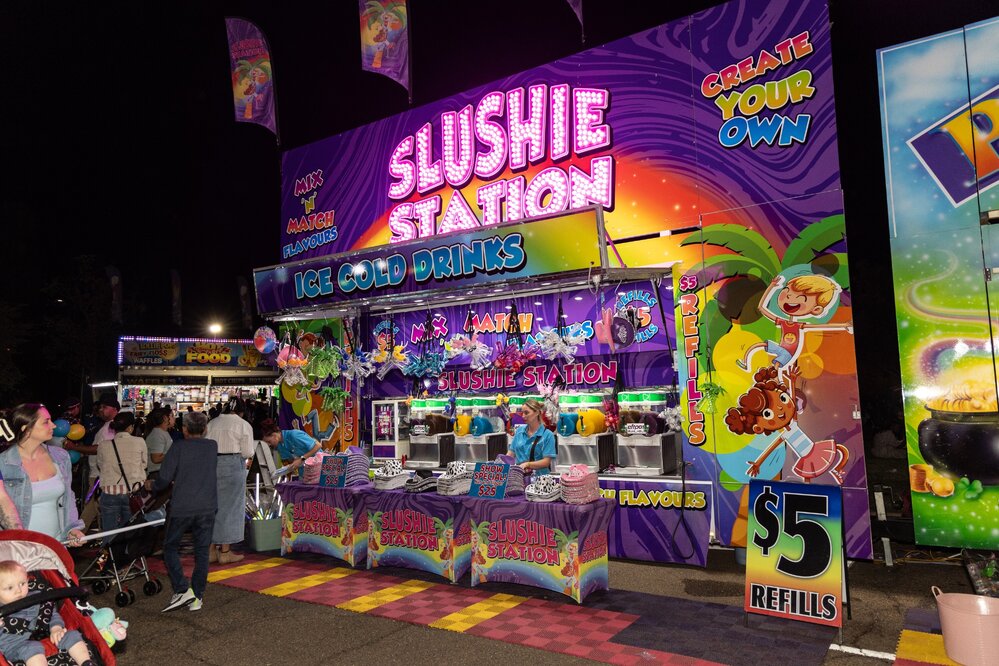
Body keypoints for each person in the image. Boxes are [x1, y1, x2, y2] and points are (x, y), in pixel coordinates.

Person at [150, 411, 217, 613]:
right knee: (202, 551)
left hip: (182, 506)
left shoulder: (179, 447)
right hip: (207, 506)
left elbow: (164, 477)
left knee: (170, 547)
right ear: (205, 429)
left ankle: (181, 589)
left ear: (184, 429)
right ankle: (197, 596)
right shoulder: (212, 446)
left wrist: (151, 486)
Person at [0, 404, 84, 544]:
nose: (54, 425)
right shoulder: (4, 463)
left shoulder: (60, 456)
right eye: (46, 422)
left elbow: (68, 497)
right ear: (26, 428)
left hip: (55, 545)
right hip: (19, 548)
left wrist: (72, 528)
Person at [0, 560, 96, 666]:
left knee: (72, 634)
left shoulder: (36, 596)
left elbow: (51, 614)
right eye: (10, 588)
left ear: (27, 580)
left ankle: (86, 662)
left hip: (45, 633)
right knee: (31, 648)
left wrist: (56, 628)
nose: (19, 590)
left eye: (22, 584)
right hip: (15, 647)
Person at [205, 398, 254, 564]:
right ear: (241, 411)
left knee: (213, 507)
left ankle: (211, 550)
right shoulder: (243, 425)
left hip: (211, 465)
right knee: (230, 508)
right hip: (233, 465)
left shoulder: (212, 423)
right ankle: (225, 551)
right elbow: (248, 452)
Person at [96, 412, 147, 538]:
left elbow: (100, 465)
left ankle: (110, 549)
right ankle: (127, 550)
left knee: (109, 532)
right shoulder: (139, 441)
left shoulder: (103, 445)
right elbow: (144, 464)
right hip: (133, 493)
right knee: (131, 532)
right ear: (130, 428)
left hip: (109, 493)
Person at [506, 399, 556, 475]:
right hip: (519, 477)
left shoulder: (548, 435)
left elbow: (546, 462)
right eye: (522, 413)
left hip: (540, 478)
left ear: (537, 412)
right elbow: (511, 453)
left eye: (526, 413)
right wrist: (501, 463)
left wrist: (528, 464)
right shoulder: (519, 431)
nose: (523, 416)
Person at [144, 407, 175, 480]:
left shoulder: (162, 432)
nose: (174, 418)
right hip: (157, 474)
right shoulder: (158, 434)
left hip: (161, 473)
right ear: (165, 418)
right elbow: (156, 458)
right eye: (172, 416)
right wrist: (174, 454)